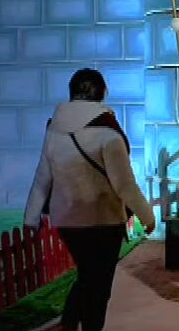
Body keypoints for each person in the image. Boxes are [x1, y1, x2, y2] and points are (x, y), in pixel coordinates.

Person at [24, 68, 156, 331]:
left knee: (87, 276)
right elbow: (125, 185)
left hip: (67, 219)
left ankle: (70, 322)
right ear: (102, 93)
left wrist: (31, 217)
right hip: (103, 219)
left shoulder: (54, 130)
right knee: (99, 286)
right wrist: (147, 216)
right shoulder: (108, 134)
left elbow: (42, 177)